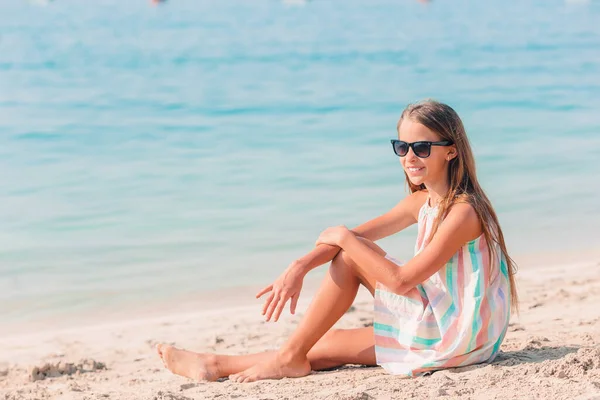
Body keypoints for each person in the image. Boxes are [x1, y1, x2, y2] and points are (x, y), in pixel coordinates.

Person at [156, 99, 518, 382]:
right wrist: (299, 266)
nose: (409, 157)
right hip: (446, 319)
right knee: (325, 344)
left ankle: (279, 359)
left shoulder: (463, 212)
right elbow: (355, 238)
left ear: (451, 150)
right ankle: (216, 364)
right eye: (401, 146)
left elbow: (400, 279)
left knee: (348, 257)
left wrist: (343, 236)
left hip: (458, 336)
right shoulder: (424, 201)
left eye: (421, 148)